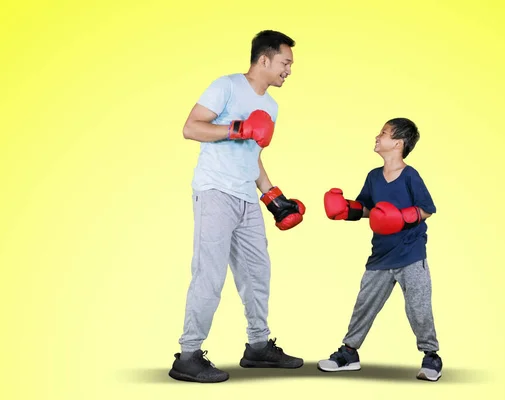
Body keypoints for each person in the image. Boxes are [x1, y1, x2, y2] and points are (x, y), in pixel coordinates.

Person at [168, 30, 305, 384]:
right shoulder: (226, 86)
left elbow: (252, 156)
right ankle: (188, 355)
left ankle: (258, 347)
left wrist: (272, 196)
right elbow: (190, 128)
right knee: (209, 275)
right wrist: (238, 127)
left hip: (246, 197)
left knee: (258, 274)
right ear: (264, 59)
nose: (289, 70)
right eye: (285, 63)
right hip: (215, 192)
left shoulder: (272, 106)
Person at [318, 117, 443, 381]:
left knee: (418, 307)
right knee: (364, 305)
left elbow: (427, 209)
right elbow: (367, 209)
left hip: (411, 254)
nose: (377, 136)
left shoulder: (410, 175)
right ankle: (349, 353)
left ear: (398, 143)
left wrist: (401, 218)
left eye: (383, 133)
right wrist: (346, 210)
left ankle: (431, 356)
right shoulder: (374, 176)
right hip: (381, 256)